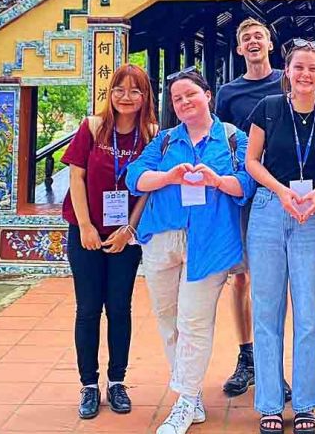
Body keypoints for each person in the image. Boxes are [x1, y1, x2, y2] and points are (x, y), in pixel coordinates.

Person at [126, 68, 255, 434]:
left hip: (211, 241)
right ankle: (191, 390)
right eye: (176, 98)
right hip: (162, 237)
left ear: (208, 95)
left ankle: (183, 401)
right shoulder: (166, 141)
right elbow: (135, 176)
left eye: (189, 95)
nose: (183, 103)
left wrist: (216, 180)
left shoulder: (232, 139)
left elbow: (245, 183)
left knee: (194, 321)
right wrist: (168, 177)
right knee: (167, 319)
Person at [246, 39, 315, 434]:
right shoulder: (268, 108)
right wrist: (283, 191)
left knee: (308, 313)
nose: (306, 75)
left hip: (313, 212)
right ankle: (270, 401)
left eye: (313, 69)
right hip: (271, 208)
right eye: (299, 68)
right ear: (287, 71)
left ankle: (305, 402)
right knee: (267, 311)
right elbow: (252, 161)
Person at [61, 64, 158, 420]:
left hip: (124, 235)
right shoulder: (93, 127)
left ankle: (117, 382)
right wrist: (86, 225)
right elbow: (76, 175)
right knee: (88, 309)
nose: (127, 97)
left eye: (135, 91)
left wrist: (129, 230)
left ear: (145, 96)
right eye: (120, 89)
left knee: (119, 308)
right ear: (110, 92)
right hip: (86, 230)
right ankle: (88, 385)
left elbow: (149, 188)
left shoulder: (151, 134)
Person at [214, 18, 291, 400]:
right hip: (244, 192)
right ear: (240, 49)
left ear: (271, 44)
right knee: (241, 277)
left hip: (284, 191)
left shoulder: (287, 80)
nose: (253, 41)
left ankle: (274, 361)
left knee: (277, 282)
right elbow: (220, 140)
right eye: (246, 38)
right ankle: (247, 356)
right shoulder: (229, 92)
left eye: (259, 35)